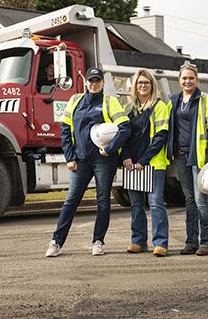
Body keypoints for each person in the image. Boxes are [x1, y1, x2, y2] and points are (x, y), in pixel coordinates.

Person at [46, 67, 131, 257]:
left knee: (103, 201)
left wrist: (110, 149)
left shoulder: (109, 102)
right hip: (80, 160)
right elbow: (66, 130)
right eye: (91, 81)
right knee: (71, 201)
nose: (94, 84)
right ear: (86, 82)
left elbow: (125, 128)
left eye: (97, 81)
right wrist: (70, 157)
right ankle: (56, 242)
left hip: (103, 160)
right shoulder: (75, 100)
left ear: (102, 83)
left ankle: (98, 241)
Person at [167, 62, 208, 256]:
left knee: (201, 201)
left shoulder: (206, 100)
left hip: (199, 158)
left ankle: (207, 242)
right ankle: (191, 242)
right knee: (189, 200)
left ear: (196, 79)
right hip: (181, 157)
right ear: (179, 80)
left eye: (191, 78)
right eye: (184, 78)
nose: (187, 81)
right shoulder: (173, 101)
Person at [121, 69, 170, 257]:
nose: (143, 85)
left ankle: (160, 243)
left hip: (153, 163)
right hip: (131, 165)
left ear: (152, 85)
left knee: (156, 203)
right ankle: (138, 241)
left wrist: (143, 160)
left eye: (146, 82)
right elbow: (122, 136)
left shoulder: (159, 107)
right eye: (140, 82)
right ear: (135, 86)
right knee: (135, 205)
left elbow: (161, 136)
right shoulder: (128, 109)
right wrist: (126, 157)